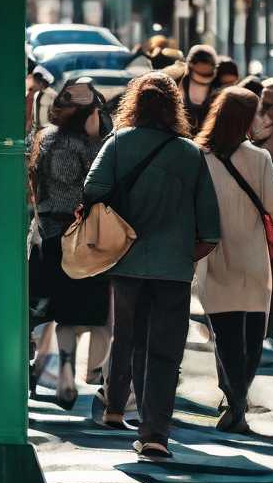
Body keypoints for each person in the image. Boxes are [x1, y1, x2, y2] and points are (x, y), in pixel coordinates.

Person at [81, 70, 221, 461]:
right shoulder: (190, 153)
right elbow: (211, 227)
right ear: (174, 108)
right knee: (164, 350)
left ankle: (116, 405)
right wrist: (183, 253)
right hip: (173, 268)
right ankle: (155, 431)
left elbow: (92, 189)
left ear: (134, 105)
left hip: (125, 260)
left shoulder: (119, 142)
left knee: (128, 335)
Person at [192, 85, 273, 434]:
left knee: (225, 337)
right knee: (253, 339)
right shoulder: (258, 158)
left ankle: (234, 403)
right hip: (252, 259)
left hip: (212, 257)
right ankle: (238, 404)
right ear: (244, 119)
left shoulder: (198, 156)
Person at [27, 78, 110, 413]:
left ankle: (58, 369)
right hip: (79, 237)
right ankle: (81, 370)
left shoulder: (43, 138)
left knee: (48, 309)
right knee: (79, 314)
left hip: (43, 232)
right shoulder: (86, 148)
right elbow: (96, 187)